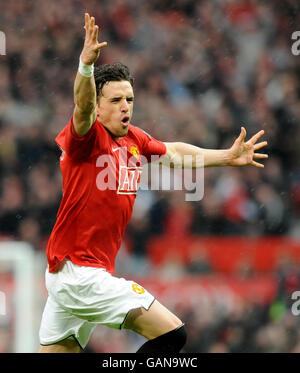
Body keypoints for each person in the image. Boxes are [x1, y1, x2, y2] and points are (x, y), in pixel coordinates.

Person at [38, 13, 268, 353]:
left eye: (129, 99)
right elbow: (82, 106)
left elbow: (173, 152)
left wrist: (226, 156)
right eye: (115, 101)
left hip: (75, 275)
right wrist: (85, 67)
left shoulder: (134, 139)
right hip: (80, 274)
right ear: (99, 108)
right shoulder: (86, 137)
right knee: (172, 334)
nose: (125, 107)